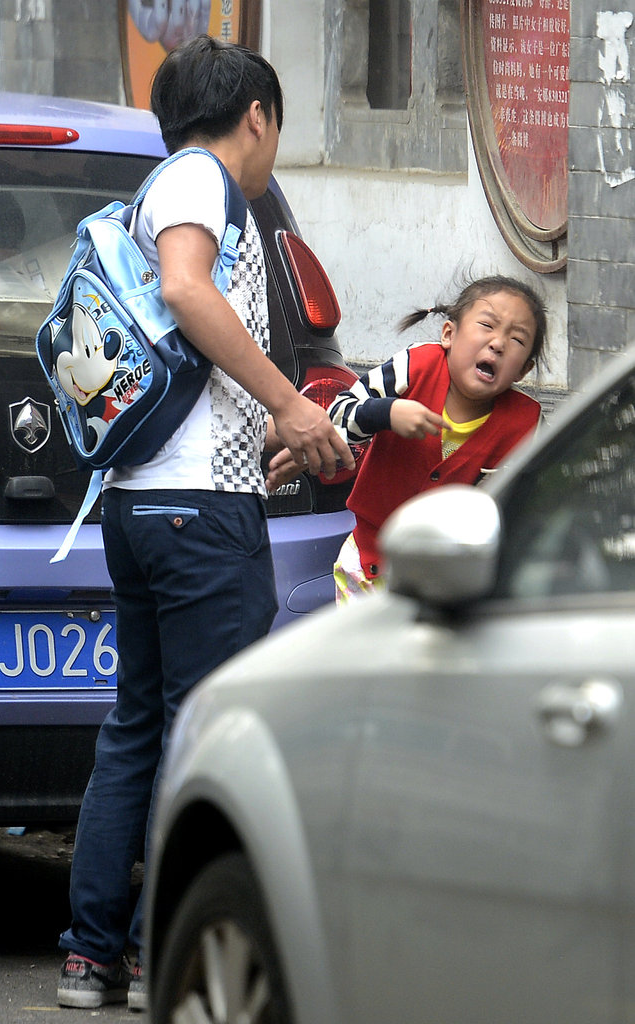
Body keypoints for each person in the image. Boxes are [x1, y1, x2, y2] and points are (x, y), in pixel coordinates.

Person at [56, 34, 354, 1012]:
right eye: (275, 128)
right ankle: (151, 955)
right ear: (256, 116)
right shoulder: (201, 178)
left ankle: (92, 955)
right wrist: (288, 404)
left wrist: (260, 429)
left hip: (149, 499)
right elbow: (186, 291)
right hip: (193, 513)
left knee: (141, 724)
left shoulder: (174, 180)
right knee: (201, 731)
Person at [328, 275, 547, 600]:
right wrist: (387, 412)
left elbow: (531, 508)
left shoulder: (527, 424)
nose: (498, 343)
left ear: (523, 371)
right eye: (487, 325)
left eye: (516, 339)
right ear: (449, 334)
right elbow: (337, 415)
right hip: (368, 565)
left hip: (452, 585)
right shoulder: (413, 367)